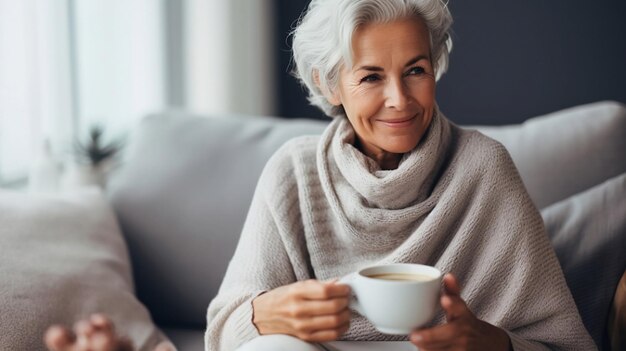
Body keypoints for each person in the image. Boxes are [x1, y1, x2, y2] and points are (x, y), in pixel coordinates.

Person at [46, 0, 597, 350]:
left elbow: (562, 342)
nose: (398, 100)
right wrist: (264, 313)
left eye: (416, 71)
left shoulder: (484, 167)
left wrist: (492, 344)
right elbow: (224, 328)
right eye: (370, 77)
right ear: (330, 85)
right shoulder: (294, 171)